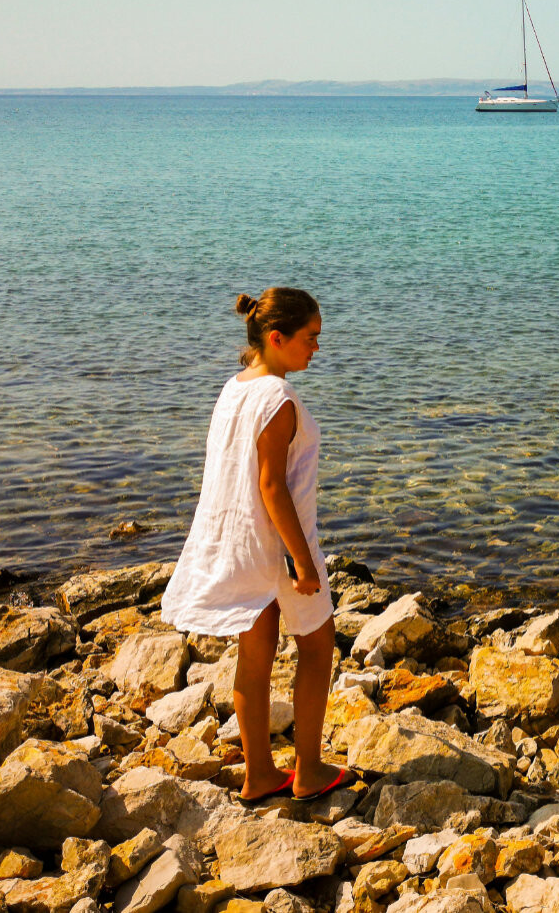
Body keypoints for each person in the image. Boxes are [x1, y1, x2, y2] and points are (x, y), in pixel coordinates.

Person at [161, 287, 355, 803]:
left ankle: (260, 775)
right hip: (279, 546)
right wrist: (303, 562)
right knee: (317, 646)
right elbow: (273, 486)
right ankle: (309, 771)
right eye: (310, 339)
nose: (317, 348)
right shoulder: (279, 399)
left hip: (239, 541)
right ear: (277, 337)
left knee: (256, 657)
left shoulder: (235, 388)